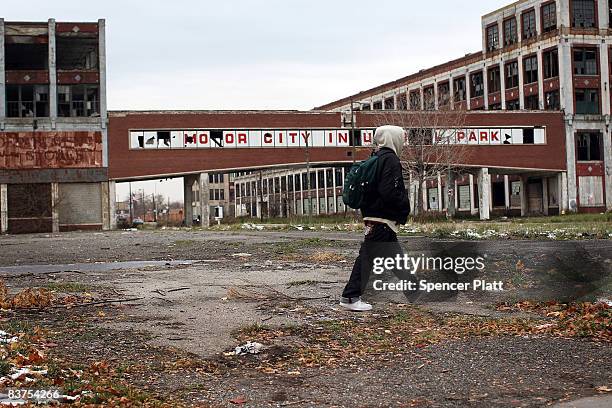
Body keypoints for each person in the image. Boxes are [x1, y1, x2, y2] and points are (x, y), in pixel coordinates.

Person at [340, 125, 411, 311]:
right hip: (382, 217)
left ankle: (415, 291)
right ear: (393, 139)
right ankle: (350, 297)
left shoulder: (376, 158)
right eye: (401, 138)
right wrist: (404, 207)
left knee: (395, 257)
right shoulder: (391, 160)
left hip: (375, 216)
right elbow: (390, 191)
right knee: (368, 257)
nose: (402, 141)